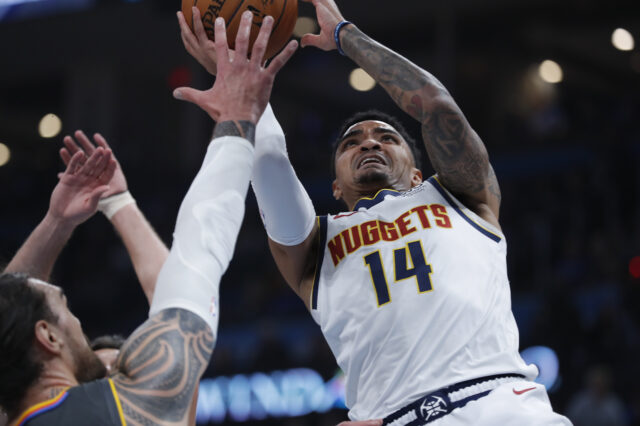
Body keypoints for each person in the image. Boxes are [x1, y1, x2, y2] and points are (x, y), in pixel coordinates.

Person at [182, 1, 573, 425]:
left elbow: (438, 108)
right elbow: (271, 160)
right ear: (334, 185)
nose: (369, 143)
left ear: (419, 172)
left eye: (386, 137)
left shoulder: (462, 196)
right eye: (351, 143)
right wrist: (240, 91)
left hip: (499, 404)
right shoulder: (316, 244)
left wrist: (346, 37)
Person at [0, 13, 297, 425]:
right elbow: (189, 273)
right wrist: (239, 118)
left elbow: (6, 316)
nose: (79, 321)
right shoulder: (134, 402)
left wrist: (61, 221)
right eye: (63, 308)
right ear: (48, 337)